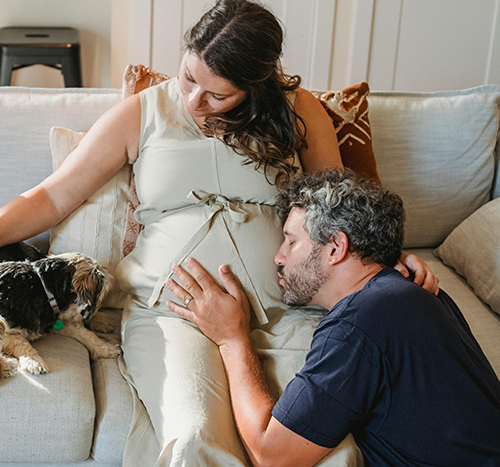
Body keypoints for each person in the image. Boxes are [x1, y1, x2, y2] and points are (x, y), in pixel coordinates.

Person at [0, 1, 438, 464]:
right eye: (188, 78)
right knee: (197, 436)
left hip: (290, 310)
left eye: (217, 93)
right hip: (174, 313)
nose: (194, 100)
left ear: (255, 87)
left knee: (328, 450)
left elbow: (340, 211)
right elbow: (53, 195)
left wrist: (389, 263)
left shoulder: (298, 110)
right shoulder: (143, 113)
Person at [166, 168, 500, 467]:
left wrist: (231, 338)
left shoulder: (359, 323)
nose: (278, 258)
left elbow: (272, 456)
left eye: (291, 242)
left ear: (336, 248)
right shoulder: (415, 294)